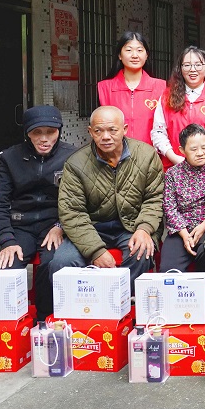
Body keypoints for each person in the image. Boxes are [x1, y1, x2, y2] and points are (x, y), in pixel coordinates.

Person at [52, 106, 163, 282]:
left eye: (112, 130)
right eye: (98, 131)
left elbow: (154, 199)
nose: (105, 137)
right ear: (90, 132)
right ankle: (89, 298)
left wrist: (144, 229)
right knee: (62, 262)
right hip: (92, 226)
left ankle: (119, 295)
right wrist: (96, 251)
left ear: (124, 129)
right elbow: (72, 212)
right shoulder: (75, 164)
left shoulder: (146, 155)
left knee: (141, 254)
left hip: (132, 225)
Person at [0, 105, 77, 321]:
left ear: (59, 130)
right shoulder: (9, 158)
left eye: (51, 132)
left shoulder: (73, 156)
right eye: (37, 132)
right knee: (7, 268)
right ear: (27, 133)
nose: (44, 139)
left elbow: (78, 201)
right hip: (20, 226)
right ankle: (9, 327)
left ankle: (46, 321)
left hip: (54, 225)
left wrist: (61, 226)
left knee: (52, 265)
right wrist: (7, 240)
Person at [151, 46, 205, 169]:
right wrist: (174, 157)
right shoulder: (167, 97)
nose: (192, 70)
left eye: (198, 65)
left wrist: (202, 157)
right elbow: (158, 132)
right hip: (174, 166)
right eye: (187, 65)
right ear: (180, 69)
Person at [160, 124, 205, 273]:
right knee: (168, 269)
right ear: (182, 150)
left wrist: (203, 226)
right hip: (181, 229)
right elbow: (169, 207)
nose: (200, 153)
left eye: (204, 147)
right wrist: (184, 234)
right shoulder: (173, 174)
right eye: (194, 149)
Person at [97, 31, 166, 145]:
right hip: (116, 152)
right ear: (120, 55)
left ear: (146, 55)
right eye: (129, 50)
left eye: (140, 50)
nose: (135, 55)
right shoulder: (104, 88)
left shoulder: (161, 87)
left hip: (151, 153)